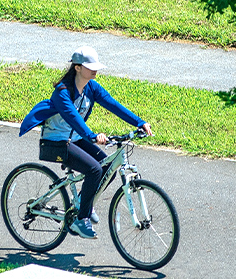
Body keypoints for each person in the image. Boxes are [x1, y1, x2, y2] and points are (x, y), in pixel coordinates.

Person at [19, 46, 152, 239]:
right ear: (77, 67)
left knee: (107, 168)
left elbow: (113, 104)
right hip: (57, 141)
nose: (95, 70)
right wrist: (91, 135)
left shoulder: (91, 87)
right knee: (95, 170)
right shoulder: (62, 93)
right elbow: (73, 118)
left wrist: (139, 122)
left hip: (76, 138)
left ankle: (84, 205)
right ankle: (81, 220)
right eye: (90, 66)